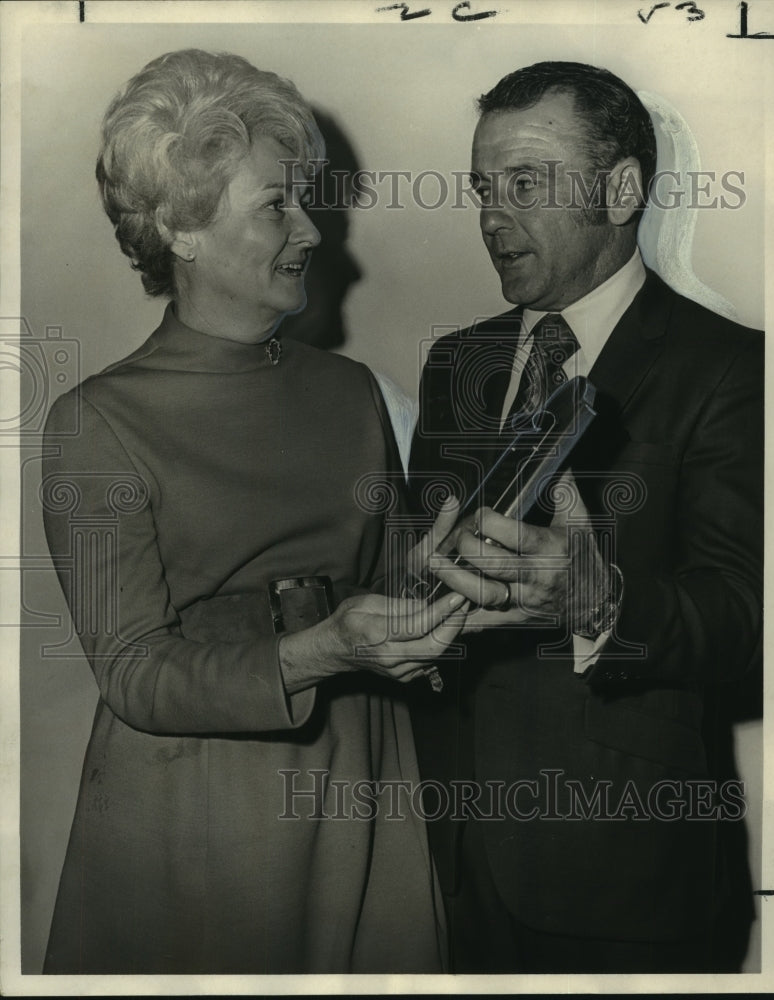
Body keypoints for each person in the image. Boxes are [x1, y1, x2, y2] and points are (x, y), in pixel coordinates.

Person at [40, 48, 467, 975]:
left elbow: (381, 598)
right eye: (277, 204)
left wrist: (440, 580)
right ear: (181, 229)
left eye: (303, 199)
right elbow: (135, 675)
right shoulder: (97, 422)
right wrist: (324, 650)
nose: (312, 231)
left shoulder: (353, 392)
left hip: (366, 782)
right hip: (203, 818)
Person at [408, 61, 763, 973]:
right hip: (445, 864)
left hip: (625, 877)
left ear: (620, 189)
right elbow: (424, 583)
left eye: (524, 184)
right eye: (482, 188)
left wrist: (598, 600)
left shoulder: (733, 370)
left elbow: (748, 623)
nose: (491, 216)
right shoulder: (454, 363)